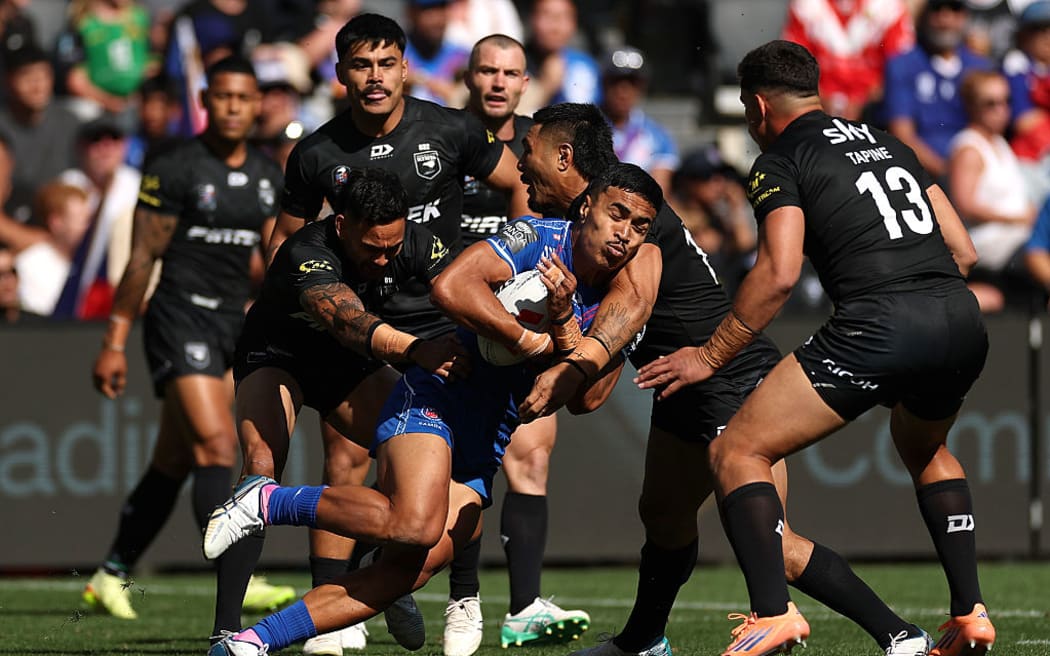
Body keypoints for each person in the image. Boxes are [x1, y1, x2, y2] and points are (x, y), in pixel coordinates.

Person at [511, 103, 931, 656]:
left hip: (731, 375)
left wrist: (569, 363)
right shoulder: (589, 224)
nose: (521, 165)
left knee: (770, 543)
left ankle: (902, 637)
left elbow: (630, 310)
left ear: (564, 158)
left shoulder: (633, 221)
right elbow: (600, 380)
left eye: (530, 150)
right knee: (663, 517)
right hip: (679, 384)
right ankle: (643, 641)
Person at [203, 162, 661, 656]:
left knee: (406, 569)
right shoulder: (539, 237)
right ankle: (267, 502)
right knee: (415, 523)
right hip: (437, 397)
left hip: (489, 438)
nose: (626, 234)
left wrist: (565, 319)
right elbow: (452, 287)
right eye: (617, 215)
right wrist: (529, 340)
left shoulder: (624, 300)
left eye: (639, 227)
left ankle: (246, 644)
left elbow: (587, 399)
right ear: (586, 205)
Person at [634, 40, 993, 656]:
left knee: (737, 451)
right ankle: (970, 614)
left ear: (756, 104)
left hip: (880, 323)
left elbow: (777, 273)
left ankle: (772, 615)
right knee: (925, 446)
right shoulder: (891, 142)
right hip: (960, 317)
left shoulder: (781, 159)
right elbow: (964, 250)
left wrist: (709, 355)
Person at [242, 14, 529, 654]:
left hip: (439, 311)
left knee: (456, 459)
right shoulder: (316, 151)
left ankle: (458, 598)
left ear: (405, 67)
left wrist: (509, 269)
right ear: (340, 72)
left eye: (386, 63)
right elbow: (285, 239)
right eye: (361, 65)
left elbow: (520, 185)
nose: (375, 78)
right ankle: (337, 614)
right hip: (358, 318)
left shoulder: (453, 128)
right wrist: (280, 301)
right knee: (347, 456)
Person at [83, 56, 296, 633]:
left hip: (232, 323)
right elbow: (143, 256)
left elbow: (266, 260)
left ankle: (111, 571)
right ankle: (238, 579)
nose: (232, 107)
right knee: (214, 446)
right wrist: (114, 341)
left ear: (257, 105)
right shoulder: (175, 165)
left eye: (243, 98)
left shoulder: (264, 173)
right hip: (179, 319)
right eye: (222, 97)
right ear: (206, 100)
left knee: (172, 460)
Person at [444, 34, 587, 656]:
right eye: (487, 71)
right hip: (451, 313)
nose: (498, 82)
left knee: (530, 455)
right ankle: (453, 591)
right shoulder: (440, 141)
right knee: (437, 467)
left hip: (524, 327)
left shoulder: (543, 149)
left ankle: (523, 607)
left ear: (527, 83)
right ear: (468, 76)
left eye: (511, 72)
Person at [948, 70, 1036, 313]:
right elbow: (964, 205)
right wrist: (1015, 218)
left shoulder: (1000, 142)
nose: (1001, 110)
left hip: (1018, 239)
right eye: (991, 103)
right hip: (992, 244)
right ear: (971, 107)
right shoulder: (969, 149)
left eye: (1006, 101)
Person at [884, 0, 989, 180]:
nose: (945, 19)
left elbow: (992, 125)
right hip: (926, 173)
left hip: (977, 168)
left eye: (955, 9)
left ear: (965, 16)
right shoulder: (902, 65)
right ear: (924, 16)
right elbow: (902, 133)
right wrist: (946, 172)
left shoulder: (980, 66)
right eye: (937, 10)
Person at [781, 0, 914, 120]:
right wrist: (818, 98)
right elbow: (794, 61)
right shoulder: (806, 5)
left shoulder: (889, 6)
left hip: (873, 109)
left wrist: (864, 101)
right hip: (818, 104)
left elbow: (902, 66)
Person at [0, 43, 81, 223]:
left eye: (44, 75)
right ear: (8, 81)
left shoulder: (70, 123)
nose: (37, 86)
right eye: (27, 77)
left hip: (59, 219)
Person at [600, 46, 678, 196]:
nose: (623, 90)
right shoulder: (583, 128)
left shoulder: (658, 137)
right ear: (604, 83)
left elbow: (658, 195)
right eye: (615, 81)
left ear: (642, 87)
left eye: (632, 82)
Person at [15, 183, 93, 316]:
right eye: (81, 220)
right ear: (56, 222)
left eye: (90, 220)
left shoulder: (91, 261)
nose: (88, 227)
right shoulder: (30, 264)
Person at [519, 0, 600, 115]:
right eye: (547, 16)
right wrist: (546, 86)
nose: (555, 28)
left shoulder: (584, 66)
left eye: (563, 17)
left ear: (574, 24)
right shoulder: (515, 63)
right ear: (532, 18)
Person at [403, 0, 469, 106]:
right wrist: (425, 82)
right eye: (428, 11)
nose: (437, 19)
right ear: (411, 13)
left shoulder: (461, 56)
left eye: (441, 8)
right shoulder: (396, 52)